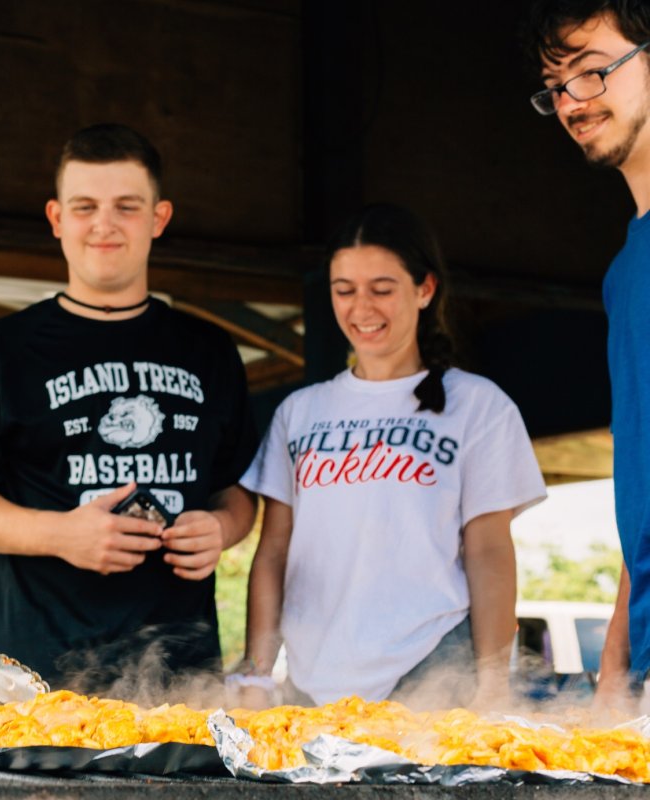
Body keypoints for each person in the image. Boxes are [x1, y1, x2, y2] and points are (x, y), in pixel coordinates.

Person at [0, 124, 258, 696]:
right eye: (85, 207)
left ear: (159, 218)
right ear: (57, 219)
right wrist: (61, 534)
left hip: (183, 687)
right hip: (39, 683)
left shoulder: (210, 351)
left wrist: (223, 528)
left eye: (126, 207)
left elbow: (237, 492)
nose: (104, 225)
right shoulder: (1, 349)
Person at [236, 204, 546, 710]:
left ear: (425, 289)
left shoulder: (479, 405)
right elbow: (273, 553)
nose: (362, 309)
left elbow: (489, 552)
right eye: (344, 290)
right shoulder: (300, 412)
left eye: (382, 289)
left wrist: (493, 683)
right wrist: (255, 671)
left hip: (431, 667)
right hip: (312, 679)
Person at [524, 0, 650, 715]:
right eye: (557, 86)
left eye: (593, 71)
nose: (573, 100)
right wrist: (616, 661)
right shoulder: (625, 272)